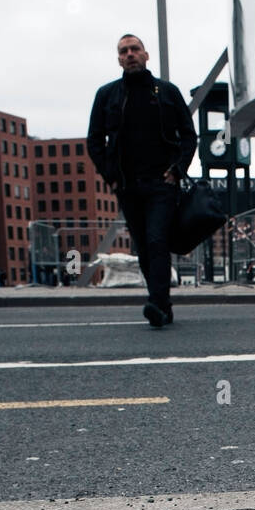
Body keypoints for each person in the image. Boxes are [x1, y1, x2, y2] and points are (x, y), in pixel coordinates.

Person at [87, 33, 197, 328]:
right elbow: (94, 140)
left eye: (135, 49)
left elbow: (189, 135)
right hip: (127, 185)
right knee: (145, 247)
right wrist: (110, 176)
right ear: (119, 59)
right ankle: (162, 302)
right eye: (124, 51)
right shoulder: (107, 95)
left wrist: (178, 169)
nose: (130, 54)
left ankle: (157, 304)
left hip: (161, 183)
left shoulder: (167, 92)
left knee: (157, 240)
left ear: (146, 55)